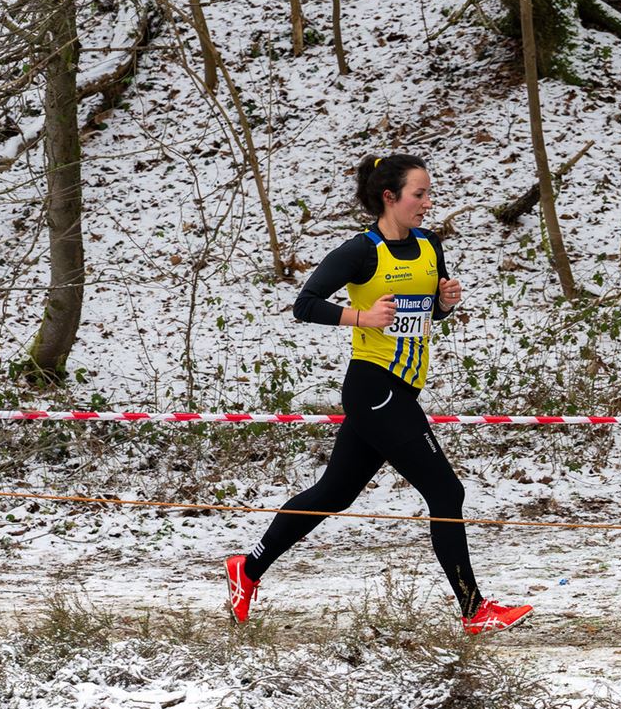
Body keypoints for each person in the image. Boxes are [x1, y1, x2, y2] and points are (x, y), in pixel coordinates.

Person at [225, 154, 533, 635]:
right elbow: (304, 305)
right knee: (446, 491)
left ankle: (248, 568)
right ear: (389, 197)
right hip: (374, 387)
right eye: (419, 194)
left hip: (403, 387)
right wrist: (360, 317)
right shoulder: (360, 251)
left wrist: (444, 303)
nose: (427, 204)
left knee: (333, 494)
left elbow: (427, 313)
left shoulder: (429, 244)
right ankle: (475, 610)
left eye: (429, 194)